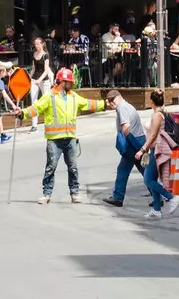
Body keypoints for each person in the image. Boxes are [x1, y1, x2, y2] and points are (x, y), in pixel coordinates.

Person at [27, 68, 104, 203]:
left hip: (70, 139)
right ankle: (47, 194)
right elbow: (36, 108)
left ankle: (74, 193)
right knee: (51, 167)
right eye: (69, 82)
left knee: (73, 167)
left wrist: (104, 104)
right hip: (54, 140)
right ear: (63, 82)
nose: (72, 84)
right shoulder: (49, 96)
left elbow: (87, 103)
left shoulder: (73, 96)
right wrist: (22, 113)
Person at [134, 90, 179, 219]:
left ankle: (171, 197)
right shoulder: (161, 113)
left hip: (157, 151)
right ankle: (156, 209)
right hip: (154, 150)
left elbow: (154, 135)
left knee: (148, 179)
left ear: (151, 102)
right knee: (152, 179)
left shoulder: (157, 115)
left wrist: (142, 149)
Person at [102, 88, 145, 208]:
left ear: (118, 97)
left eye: (112, 100)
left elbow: (126, 128)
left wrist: (132, 144)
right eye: (109, 101)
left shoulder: (122, 108)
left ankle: (118, 197)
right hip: (138, 139)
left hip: (133, 141)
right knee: (145, 170)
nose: (111, 103)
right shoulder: (126, 106)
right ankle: (159, 196)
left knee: (123, 170)